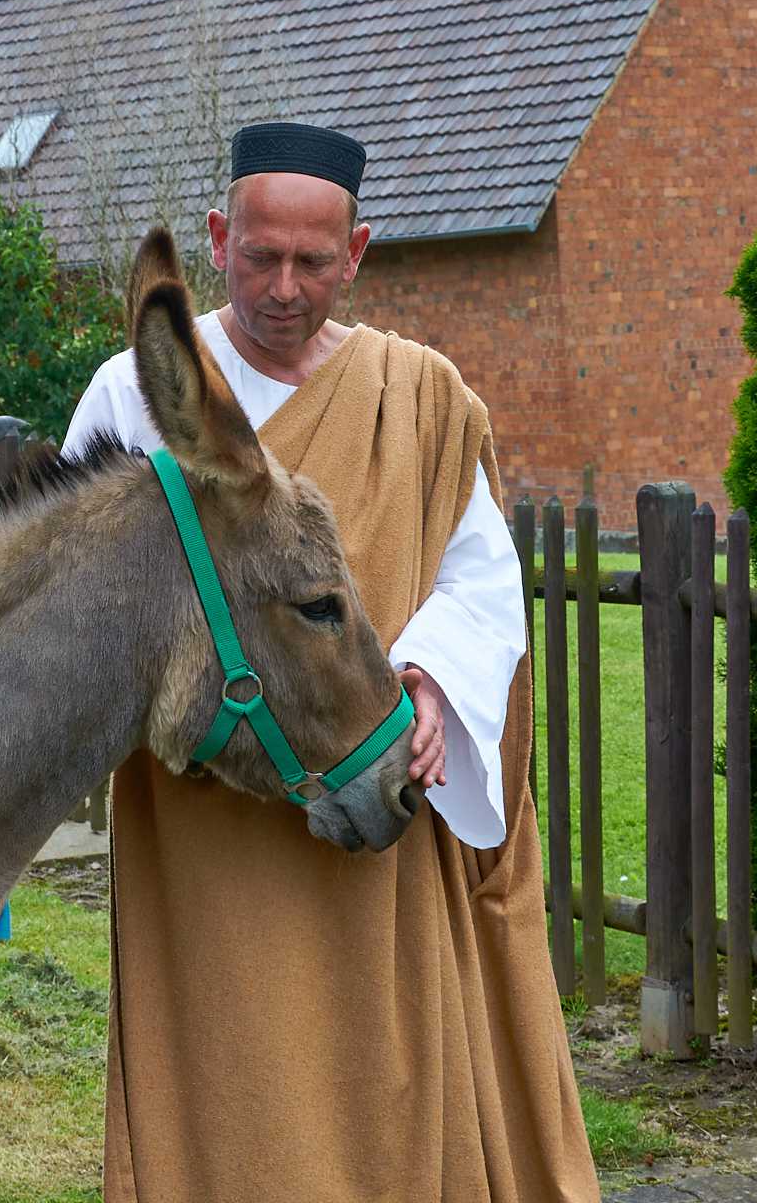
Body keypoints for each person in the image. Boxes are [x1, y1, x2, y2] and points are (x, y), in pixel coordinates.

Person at [62, 122, 600, 1202]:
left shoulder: (424, 398)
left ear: (356, 253)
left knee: (383, 1082)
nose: (283, 286)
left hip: (376, 821)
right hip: (200, 841)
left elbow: (482, 585)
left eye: (313, 261)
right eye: (259, 255)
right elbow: (69, 596)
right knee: (220, 1084)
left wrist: (435, 685)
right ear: (218, 237)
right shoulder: (135, 395)